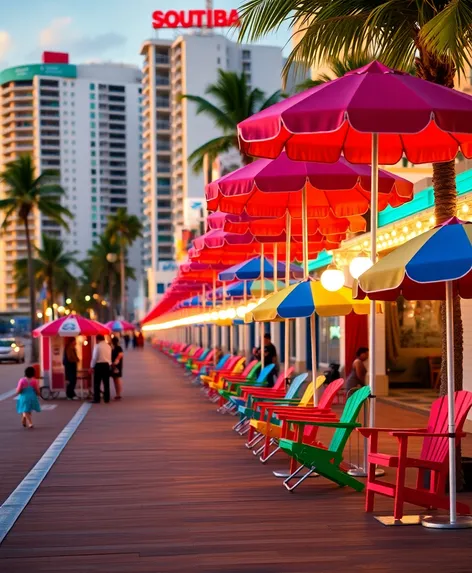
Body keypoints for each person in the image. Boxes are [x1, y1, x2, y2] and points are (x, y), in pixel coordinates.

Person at [91, 334, 112, 403]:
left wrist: (91, 366)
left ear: (97, 339)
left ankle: (97, 399)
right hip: (106, 365)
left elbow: (94, 358)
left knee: (97, 383)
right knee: (106, 383)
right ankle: (107, 398)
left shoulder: (97, 346)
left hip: (99, 365)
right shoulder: (108, 346)